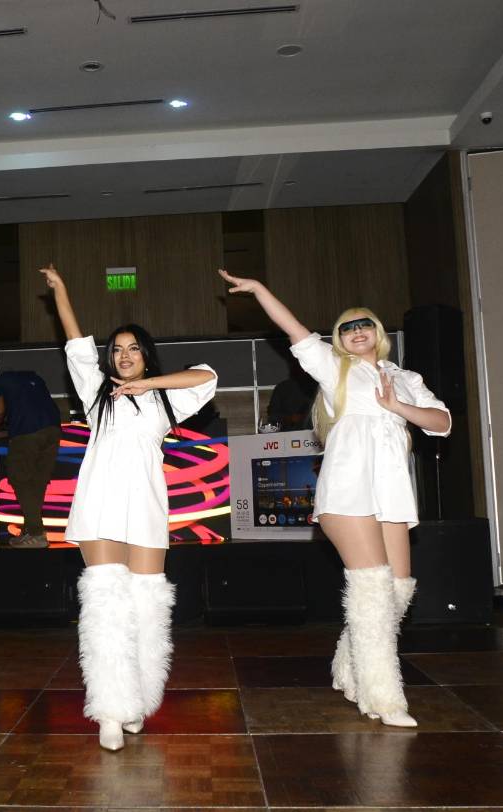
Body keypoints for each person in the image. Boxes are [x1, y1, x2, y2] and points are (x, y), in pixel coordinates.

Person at [219, 269, 451, 727]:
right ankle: (383, 697)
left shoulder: (405, 378)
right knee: (371, 590)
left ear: (378, 333)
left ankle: (348, 666)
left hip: (391, 494)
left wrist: (397, 408)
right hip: (347, 491)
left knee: (396, 593)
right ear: (340, 340)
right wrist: (261, 290)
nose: (356, 330)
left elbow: (441, 423)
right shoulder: (330, 366)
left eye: (364, 324)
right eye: (347, 327)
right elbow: (293, 329)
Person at [40, 265, 217, 751]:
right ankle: (111, 711)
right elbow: (75, 342)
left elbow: (206, 376)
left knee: (146, 610)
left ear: (146, 356)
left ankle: (137, 699)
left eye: (132, 348)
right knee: (105, 610)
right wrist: (61, 291)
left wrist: (152, 384)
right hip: (98, 507)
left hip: (145, 510)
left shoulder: (166, 403)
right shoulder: (96, 397)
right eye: (116, 350)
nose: (123, 357)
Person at [0, 369, 61, 548]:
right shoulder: (35, 377)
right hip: (53, 428)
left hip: (27, 430)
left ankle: (37, 533)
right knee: (37, 481)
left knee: (19, 477)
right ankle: (30, 532)